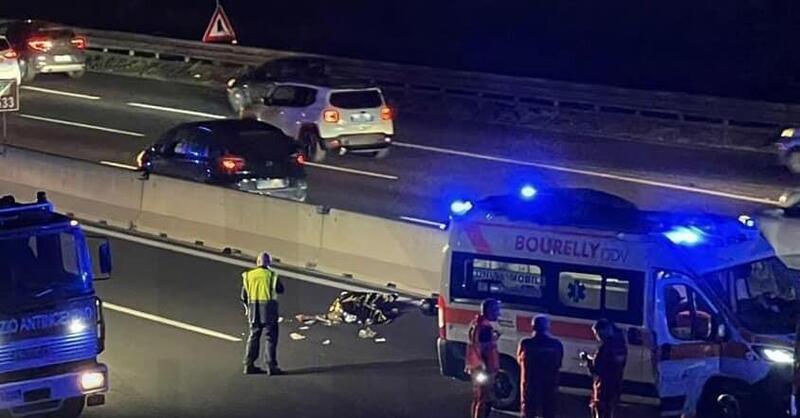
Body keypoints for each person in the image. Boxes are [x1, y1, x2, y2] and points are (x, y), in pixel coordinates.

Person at [241, 251, 285, 375]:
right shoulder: (272, 275)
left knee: (254, 336)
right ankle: (271, 366)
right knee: (270, 337)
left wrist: (247, 308)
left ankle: (248, 365)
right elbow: (280, 289)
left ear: (257, 262)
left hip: (254, 309)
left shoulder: (248, 275)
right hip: (268, 309)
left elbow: (243, 296)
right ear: (269, 262)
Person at [517, 315, 564, 418]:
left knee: (528, 412)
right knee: (549, 411)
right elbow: (559, 363)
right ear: (548, 327)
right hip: (550, 383)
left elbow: (519, 360)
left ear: (533, 327)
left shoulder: (525, 343)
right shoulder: (556, 344)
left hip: (530, 384)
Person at [582, 319, 627, 418]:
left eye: (597, 333)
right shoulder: (621, 346)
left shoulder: (605, 348)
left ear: (603, 331)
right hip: (616, 384)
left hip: (603, 386)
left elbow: (596, 370)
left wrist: (588, 360)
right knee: (609, 411)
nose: (598, 337)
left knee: (601, 412)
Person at [465, 298, 501, 418]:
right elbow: (484, 348)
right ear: (489, 311)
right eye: (496, 310)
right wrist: (488, 369)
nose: (498, 313)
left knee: (478, 398)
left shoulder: (477, 324)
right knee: (484, 400)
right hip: (484, 369)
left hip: (476, 366)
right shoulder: (485, 329)